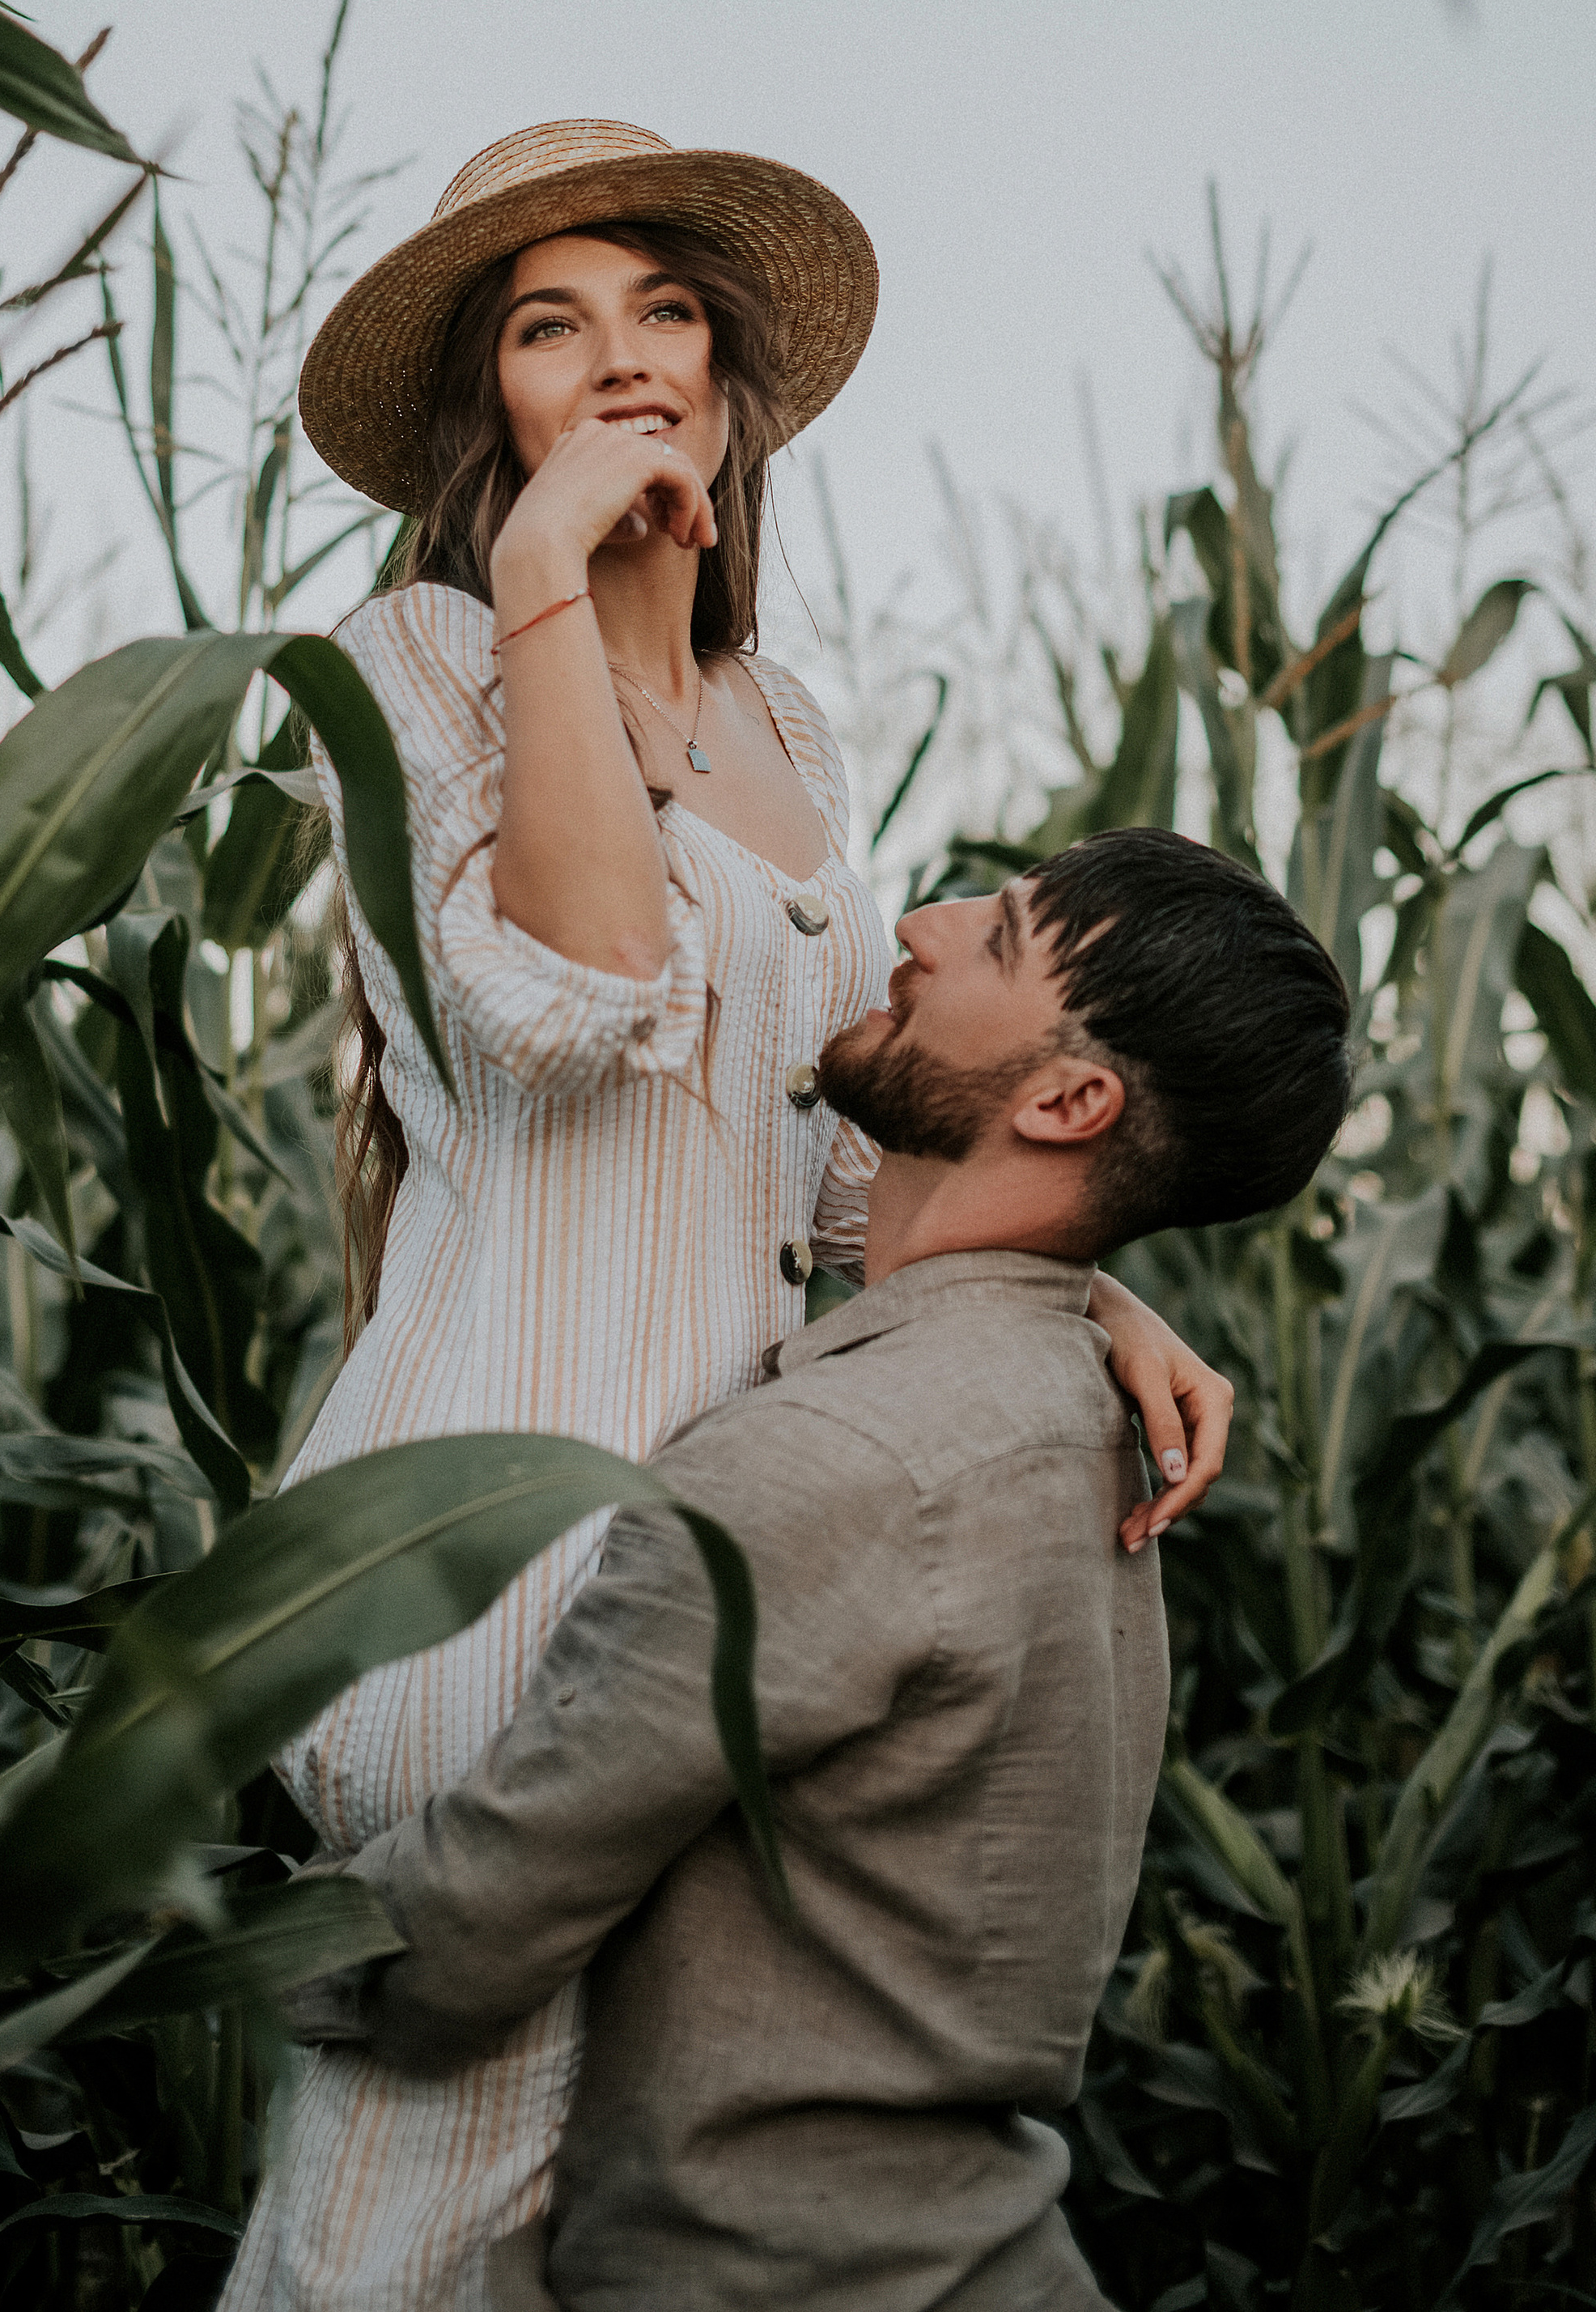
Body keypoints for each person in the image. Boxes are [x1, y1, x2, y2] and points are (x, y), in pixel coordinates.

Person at [228, 121, 1237, 2310]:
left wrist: (1082, 1306)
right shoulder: (413, 658)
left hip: (743, 1565)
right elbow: (583, 1005)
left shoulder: (788, 719)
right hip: (493, 1543)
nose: (620, 361)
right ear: (487, 406)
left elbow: (834, 1128)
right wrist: (544, 582)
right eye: (548, 326)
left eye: (664, 310)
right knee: (415, 2230)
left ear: (728, 377)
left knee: (624, 2232)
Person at [294, 829, 1354, 2310]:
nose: (917, 922)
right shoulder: (1084, 1410)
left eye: (998, 940)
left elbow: (462, 1938)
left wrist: (111, 1940)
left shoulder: (833, 1461)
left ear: (1068, 1099)